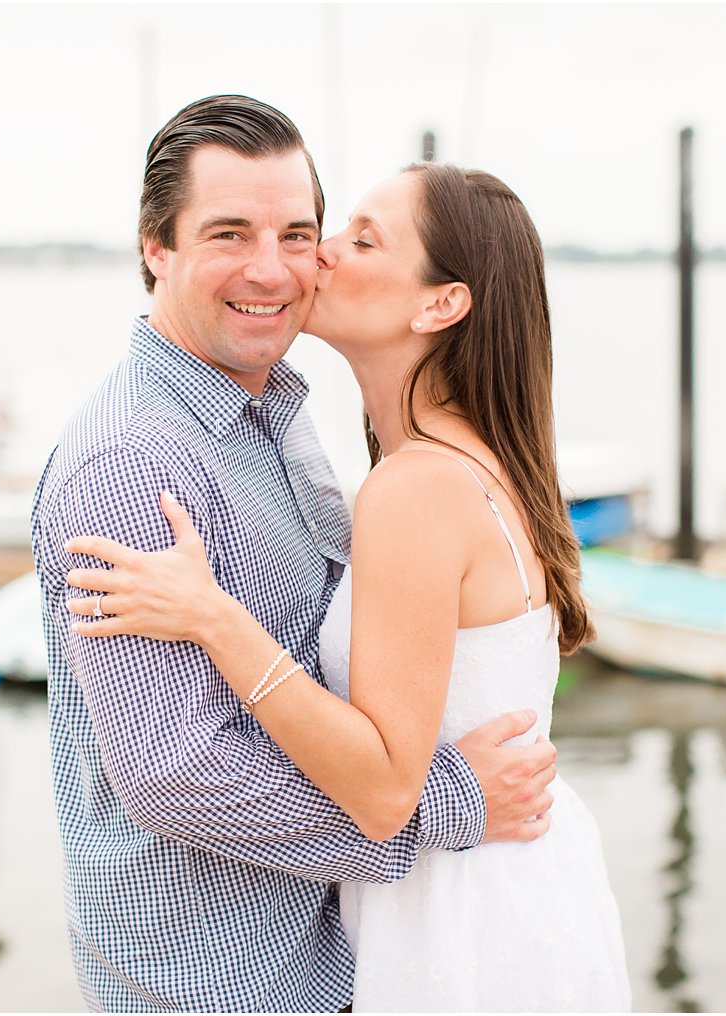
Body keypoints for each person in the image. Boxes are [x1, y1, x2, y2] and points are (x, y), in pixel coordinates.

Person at [31, 94, 560, 1013]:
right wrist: (447, 806)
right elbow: (175, 771)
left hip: (343, 951)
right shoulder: (132, 462)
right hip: (213, 978)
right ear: (155, 248)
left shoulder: (282, 417)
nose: (273, 270)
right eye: (229, 233)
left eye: (301, 233)